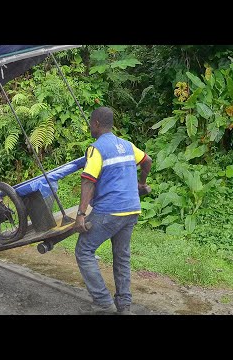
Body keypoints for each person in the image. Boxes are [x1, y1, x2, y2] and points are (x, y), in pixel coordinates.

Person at [73, 107, 152, 315]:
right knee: (122, 256)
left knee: (83, 250)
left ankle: (102, 300)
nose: (90, 126)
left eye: (91, 123)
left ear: (97, 123)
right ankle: (124, 306)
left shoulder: (97, 148)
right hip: (132, 210)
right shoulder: (126, 145)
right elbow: (147, 161)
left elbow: (88, 180)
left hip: (110, 211)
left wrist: (81, 214)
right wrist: (141, 184)